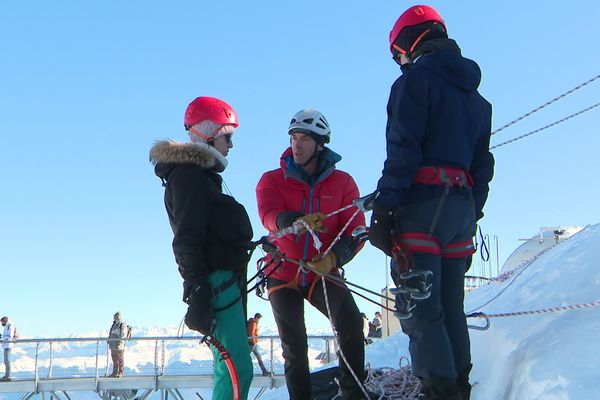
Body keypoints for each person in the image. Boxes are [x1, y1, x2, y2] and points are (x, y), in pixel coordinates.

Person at [368, 5, 494, 400]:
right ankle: (458, 388)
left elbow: (403, 152)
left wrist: (386, 208)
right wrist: (473, 211)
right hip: (460, 211)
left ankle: (440, 392)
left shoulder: (413, 83)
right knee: (451, 308)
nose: (398, 62)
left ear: (409, 41)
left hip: (422, 207)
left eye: (396, 53)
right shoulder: (477, 100)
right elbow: (483, 164)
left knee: (421, 310)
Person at [256, 109, 369, 400]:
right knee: (294, 344)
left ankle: (353, 393)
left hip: (323, 270)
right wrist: (293, 221)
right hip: (283, 271)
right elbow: (269, 215)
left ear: (320, 144)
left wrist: (335, 259)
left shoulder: (343, 183)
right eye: (294, 137)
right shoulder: (271, 180)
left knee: (351, 325)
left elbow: (356, 229)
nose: (297, 144)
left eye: (304, 138)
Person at [150, 96, 253, 399]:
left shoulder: (201, 179)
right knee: (237, 371)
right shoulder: (189, 177)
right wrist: (197, 289)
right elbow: (187, 238)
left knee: (231, 369)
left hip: (225, 282)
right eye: (227, 136)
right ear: (210, 132)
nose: (230, 145)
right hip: (216, 283)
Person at [107, 312, 128, 378]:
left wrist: (120, 343)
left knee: (120, 359)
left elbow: (123, 335)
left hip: (119, 345)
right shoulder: (114, 325)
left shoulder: (122, 325)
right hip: (113, 345)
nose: (115, 318)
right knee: (114, 359)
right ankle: (115, 372)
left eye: (116, 316)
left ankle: (120, 372)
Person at [1, 317, 16, 382]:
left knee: (7, 360)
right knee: (6, 361)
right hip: (5, 345)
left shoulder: (10, 327)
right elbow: (5, 335)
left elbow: (10, 336)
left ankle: (8, 376)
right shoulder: (6, 327)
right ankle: (6, 375)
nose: (1, 323)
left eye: (2, 322)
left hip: (8, 345)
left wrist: (3, 338)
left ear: (5, 321)